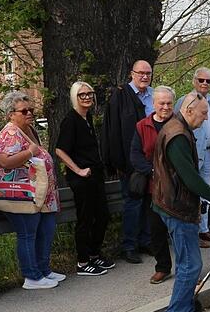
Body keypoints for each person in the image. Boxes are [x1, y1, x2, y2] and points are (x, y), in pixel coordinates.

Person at [153, 92, 210, 312]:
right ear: (189, 111)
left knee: (187, 264)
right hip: (177, 207)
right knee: (191, 266)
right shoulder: (177, 134)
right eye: (203, 113)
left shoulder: (177, 128)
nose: (206, 117)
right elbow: (190, 178)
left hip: (175, 204)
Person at [0, 91, 64, 290]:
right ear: (11, 114)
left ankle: (43, 270)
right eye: (24, 111)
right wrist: (29, 152)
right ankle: (31, 276)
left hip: (41, 194)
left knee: (45, 230)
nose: (29, 113)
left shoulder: (28, 129)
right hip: (23, 194)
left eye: (31, 110)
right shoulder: (10, 132)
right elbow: (4, 161)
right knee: (28, 233)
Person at [55, 82, 113, 276]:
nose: (87, 97)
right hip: (81, 180)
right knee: (85, 219)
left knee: (102, 215)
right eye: (82, 95)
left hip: (95, 176)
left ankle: (94, 254)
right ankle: (83, 262)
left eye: (90, 94)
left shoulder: (87, 117)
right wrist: (78, 170)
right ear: (75, 97)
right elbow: (60, 150)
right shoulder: (70, 120)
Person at [102, 60, 153, 263]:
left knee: (149, 202)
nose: (144, 76)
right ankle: (129, 246)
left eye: (148, 73)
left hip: (151, 161)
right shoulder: (120, 95)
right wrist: (117, 163)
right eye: (140, 73)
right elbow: (113, 131)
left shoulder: (154, 95)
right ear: (132, 74)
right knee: (133, 202)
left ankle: (146, 241)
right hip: (130, 161)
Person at [130, 86, 177, 285]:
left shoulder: (180, 124)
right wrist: (153, 172)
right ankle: (163, 267)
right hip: (153, 187)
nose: (165, 107)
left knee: (179, 230)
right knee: (156, 229)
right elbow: (135, 155)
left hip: (177, 186)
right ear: (154, 103)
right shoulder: (142, 126)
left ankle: (186, 268)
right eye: (161, 103)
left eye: (169, 103)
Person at [176, 68, 210, 248]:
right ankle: (193, 232)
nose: (204, 83)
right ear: (194, 81)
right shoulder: (186, 100)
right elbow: (177, 126)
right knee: (192, 192)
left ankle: (203, 229)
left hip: (209, 152)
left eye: (208, 81)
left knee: (205, 191)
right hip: (193, 153)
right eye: (201, 80)